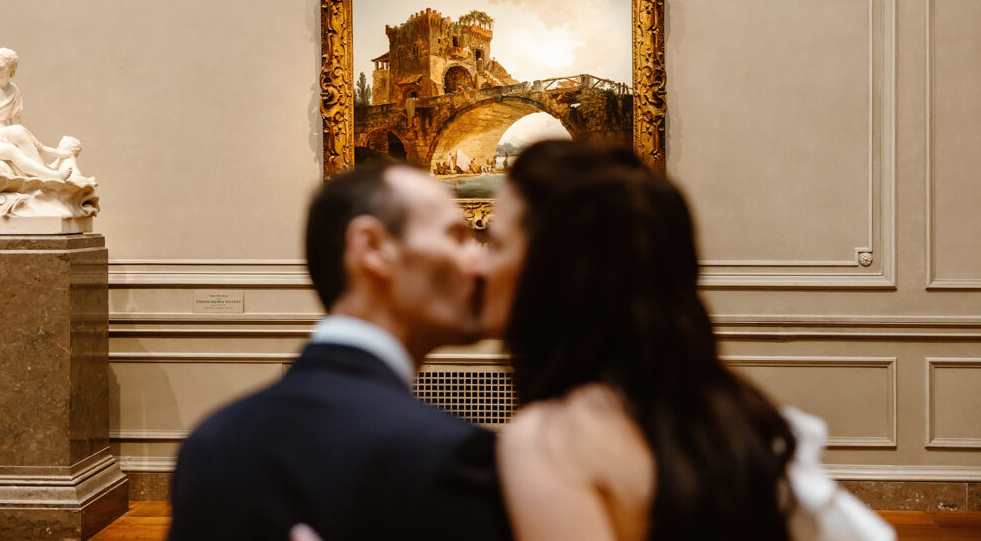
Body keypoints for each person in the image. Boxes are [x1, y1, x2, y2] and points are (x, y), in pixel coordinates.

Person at [479, 140, 894, 541]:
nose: (480, 265)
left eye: (496, 244)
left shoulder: (550, 443)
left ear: (553, 275)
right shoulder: (731, 413)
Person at [169, 163, 511, 541]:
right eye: (457, 237)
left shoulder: (213, 442)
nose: (480, 262)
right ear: (373, 247)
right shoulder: (447, 455)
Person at [0, 48, 72, 181]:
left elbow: (15, 122)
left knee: (18, 132)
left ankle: (43, 170)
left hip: (0, 133)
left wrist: (27, 138)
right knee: (11, 151)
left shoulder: (14, 90)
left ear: (12, 69)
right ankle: (52, 176)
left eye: (1, 68)